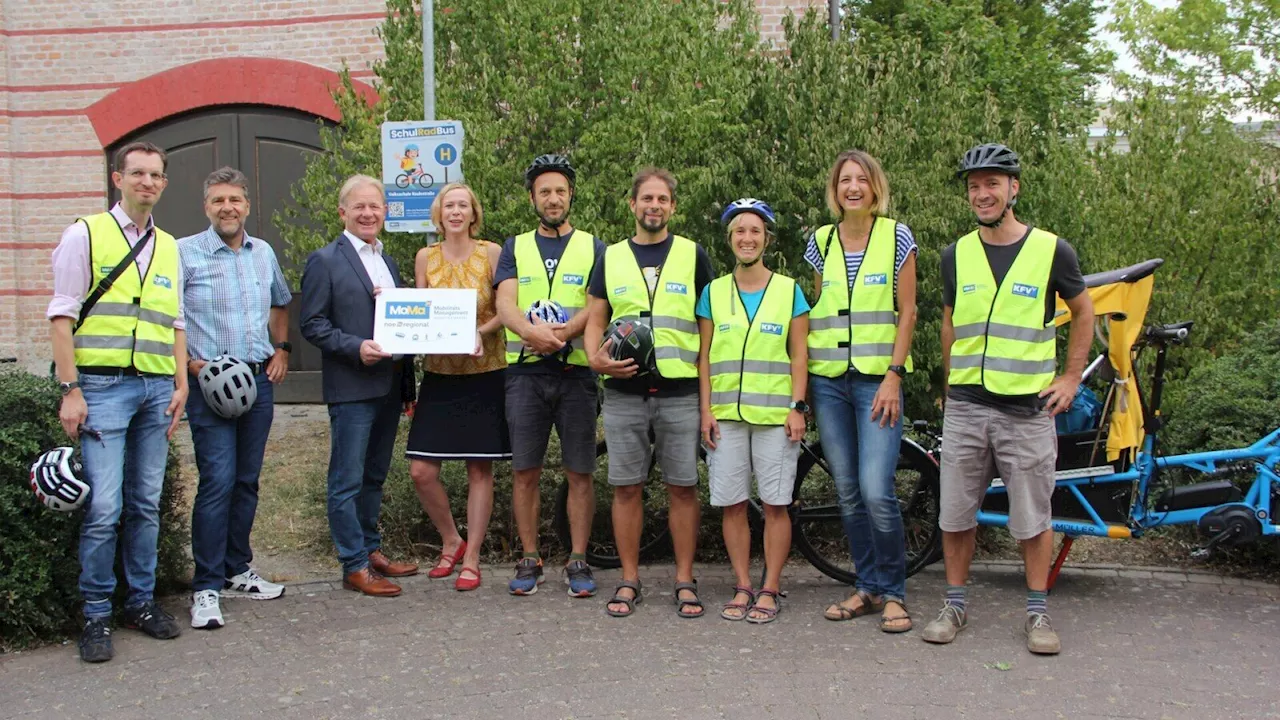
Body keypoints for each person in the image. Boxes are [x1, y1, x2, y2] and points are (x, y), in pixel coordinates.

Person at [922, 143, 1094, 655]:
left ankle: (1037, 614)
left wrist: (1071, 379)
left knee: (1031, 518)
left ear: (1013, 188)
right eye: (974, 186)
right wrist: (949, 385)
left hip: (1026, 410)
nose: (982, 193)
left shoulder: (1052, 251)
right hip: (968, 408)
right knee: (955, 513)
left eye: (992, 183)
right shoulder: (955, 254)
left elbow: (1084, 313)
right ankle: (955, 604)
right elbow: (950, 321)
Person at [48, 141, 189, 662]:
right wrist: (71, 390)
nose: (147, 182)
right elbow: (61, 316)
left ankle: (142, 602)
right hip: (102, 388)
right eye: (138, 174)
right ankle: (97, 613)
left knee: (146, 504)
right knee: (106, 506)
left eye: (155, 175)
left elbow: (174, 321)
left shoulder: (170, 245)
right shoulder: (85, 234)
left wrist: (181, 384)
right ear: (117, 178)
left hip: (156, 390)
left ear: (164, 184)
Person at [585, 167, 715, 619]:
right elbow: (595, 319)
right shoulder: (612, 256)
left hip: (679, 392)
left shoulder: (694, 255)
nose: (654, 206)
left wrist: (706, 401)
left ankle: (684, 579)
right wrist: (593, 358)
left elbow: (708, 329)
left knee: (683, 488)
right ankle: (629, 579)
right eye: (647, 199)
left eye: (662, 199)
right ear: (633, 204)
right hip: (624, 392)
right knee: (626, 488)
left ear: (672, 207)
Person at [806, 150, 918, 633]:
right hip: (828, 380)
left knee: (876, 489)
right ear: (835, 190)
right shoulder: (820, 241)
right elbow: (819, 306)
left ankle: (895, 592)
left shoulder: (897, 236)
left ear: (875, 187)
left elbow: (908, 310)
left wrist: (895, 373)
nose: (853, 188)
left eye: (861, 180)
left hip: (878, 380)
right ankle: (867, 587)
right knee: (849, 491)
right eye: (844, 180)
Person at [178, 167, 292, 629]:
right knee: (218, 480)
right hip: (209, 382)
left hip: (256, 379)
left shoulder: (262, 252)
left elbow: (281, 301)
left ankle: (236, 569)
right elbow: (169, 318)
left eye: (236, 200)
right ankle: (205, 586)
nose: (228, 207)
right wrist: (189, 365)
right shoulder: (184, 254)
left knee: (247, 479)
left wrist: (281, 349)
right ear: (206, 206)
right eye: (219, 200)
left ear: (247, 205)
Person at [300, 174, 419, 598]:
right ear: (342, 212)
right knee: (346, 480)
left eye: (375, 206)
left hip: (387, 387)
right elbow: (311, 324)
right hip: (351, 386)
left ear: (385, 211)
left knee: (374, 476)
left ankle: (370, 549)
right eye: (359, 207)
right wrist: (355, 347)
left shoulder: (388, 261)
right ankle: (352, 563)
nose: (368, 213)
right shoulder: (324, 260)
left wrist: (407, 385)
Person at [494, 155, 607, 597]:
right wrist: (531, 333)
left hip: (576, 372)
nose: (553, 198)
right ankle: (529, 558)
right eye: (545, 192)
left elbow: (597, 306)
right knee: (526, 471)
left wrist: (564, 333)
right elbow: (505, 304)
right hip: (525, 374)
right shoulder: (515, 246)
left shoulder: (594, 246)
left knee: (580, 471)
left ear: (570, 195)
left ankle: (578, 558)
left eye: (560, 191)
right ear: (532, 198)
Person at [697, 198, 809, 624]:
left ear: (767, 239)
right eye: (740, 231)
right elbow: (704, 357)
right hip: (725, 415)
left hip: (775, 416)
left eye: (755, 231)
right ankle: (743, 583)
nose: (747, 238)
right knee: (732, 504)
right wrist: (705, 410)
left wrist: (798, 407)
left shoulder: (789, 290)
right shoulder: (712, 292)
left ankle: (771, 586)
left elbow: (800, 356)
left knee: (776, 504)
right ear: (730, 239)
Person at [406, 183, 510, 592]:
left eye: (462, 205)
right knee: (421, 471)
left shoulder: (492, 253)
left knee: (479, 469)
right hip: (439, 375)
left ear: (473, 213)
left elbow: (505, 311)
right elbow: (418, 312)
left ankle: (471, 558)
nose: (455, 211)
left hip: (485, 371)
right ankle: (451, 538)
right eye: (448, 205)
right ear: (439, 213)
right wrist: (390, 310)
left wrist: (478, 334)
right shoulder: (424, 257)